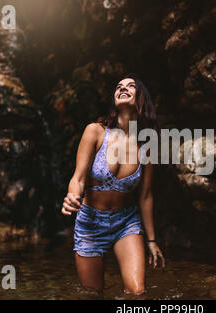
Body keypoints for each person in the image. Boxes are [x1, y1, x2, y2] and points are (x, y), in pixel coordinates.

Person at [61, 73, 165, 297]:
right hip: (90, 223)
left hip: (125, 223)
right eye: (119, 86)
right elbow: (78, 178)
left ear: (141, 98)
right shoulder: (95, 131)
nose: (122, 88)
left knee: (138, 293)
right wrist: (72, 196)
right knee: (92, 294)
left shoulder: (148, 145)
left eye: (130, 86)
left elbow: (146, 196)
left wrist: (152, 240)